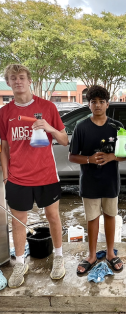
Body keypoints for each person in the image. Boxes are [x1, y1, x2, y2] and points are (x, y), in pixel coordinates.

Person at [0, 64, 68, 288]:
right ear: (8, 83)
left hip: (46, 174)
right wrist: (6, 176)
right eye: (13, 78)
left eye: (21, 77)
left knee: (53, 217)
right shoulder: (5, 113)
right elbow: (4, 147)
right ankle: (20, 262)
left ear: (29, 80)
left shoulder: (47, 107)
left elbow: (64, 139)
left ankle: (58, 257)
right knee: (19, 222)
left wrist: (49, 127)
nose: (17, 81)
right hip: (17, 178)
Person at [69, 85, 126, 274]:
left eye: (101, 101)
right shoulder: (81, 127)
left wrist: (111, 157)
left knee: (110, 216)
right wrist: (89, 159)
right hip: (90, 182)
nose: (98, 105)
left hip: (110, 182)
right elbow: (72, 156)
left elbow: (125, 155)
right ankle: (92, 254)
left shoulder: (117, 127)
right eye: (94, 102)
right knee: (92, 218)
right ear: (89, 105)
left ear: (108, 104)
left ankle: (110, 253)